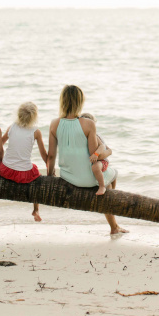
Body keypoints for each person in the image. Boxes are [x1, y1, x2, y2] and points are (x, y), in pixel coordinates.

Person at [49, 85, 127, 235]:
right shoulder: (88, 124)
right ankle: (113, 223)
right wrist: (108, 152)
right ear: (80, 102)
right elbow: (94, 155)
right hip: (87, 179)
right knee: (113, 174)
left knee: (106, 178)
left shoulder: (54, 124)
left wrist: (50, 174)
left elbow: (51, 155)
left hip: (66, 176)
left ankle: (114, 225)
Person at [0, 102, 49, 222]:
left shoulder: (12, 127)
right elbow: (43, 153)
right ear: (34, 117)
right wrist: (49, 168)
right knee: (37, 180)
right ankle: (36, 210)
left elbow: (0, 143)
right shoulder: (36, 132)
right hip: (23, 173)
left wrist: (0, 159)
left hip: (6, 169)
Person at [78, 112, 111, 195]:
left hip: (101, 161)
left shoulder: (94, 135)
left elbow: (102, 146)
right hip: (92, 160)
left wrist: (96, 154)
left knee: (95, 167)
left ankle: (102, 186)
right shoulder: (80, 136)